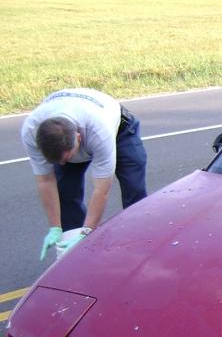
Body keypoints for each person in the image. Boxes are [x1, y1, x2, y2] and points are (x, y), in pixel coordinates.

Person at [21, 89, 148, 260]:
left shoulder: (99, 131)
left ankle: (140, 246)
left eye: (67, 158)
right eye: (58, 161)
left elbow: (101, 190)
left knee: (134, 189)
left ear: (79, 139)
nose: (63, 164)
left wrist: (87, 232)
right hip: (72, 131)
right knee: (64, 191)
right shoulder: (30, 131)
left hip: (120, 130)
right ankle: (74, 254)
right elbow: (45, 180)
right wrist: (55, 227)